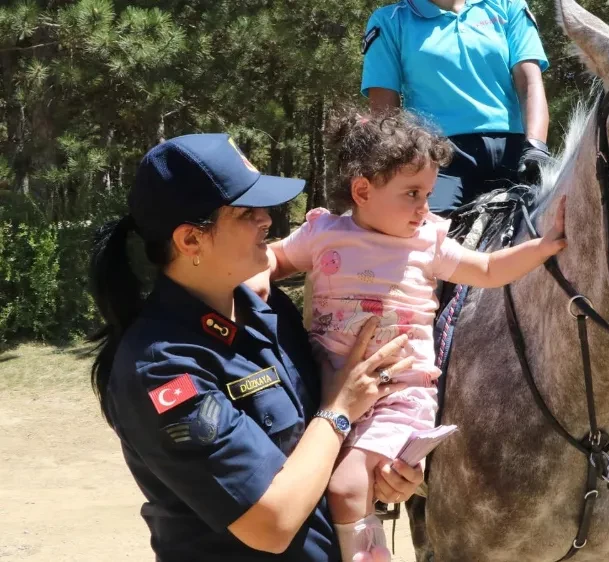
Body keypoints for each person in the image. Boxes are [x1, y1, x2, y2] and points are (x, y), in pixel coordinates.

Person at [87, 133, 424, 561]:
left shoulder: (266, 308)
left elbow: (312, 452)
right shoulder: (163, 369)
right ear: (191, 241)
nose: (268, 219)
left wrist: (379, 469)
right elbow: (271, 523)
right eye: (246, 212)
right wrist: (339, 412)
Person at [264, 111, 568, 562]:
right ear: (362, 191)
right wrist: (256, 277)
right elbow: (275, 259)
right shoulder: (324, 233)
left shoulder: (428, 242)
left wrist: (542, 247)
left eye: (428, 193)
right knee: (318, 484)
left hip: (398, 395)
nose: (425, 207)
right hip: (324, 387)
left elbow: (486, 269)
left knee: (348, 485)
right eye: (411, 194)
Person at [360, 0, 551, 214]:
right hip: (437, 156)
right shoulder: (389, 20)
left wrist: (536, 147)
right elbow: (385, 114)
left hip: (516, 152)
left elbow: (530, 85)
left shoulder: (508, 5)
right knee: (423, 236)